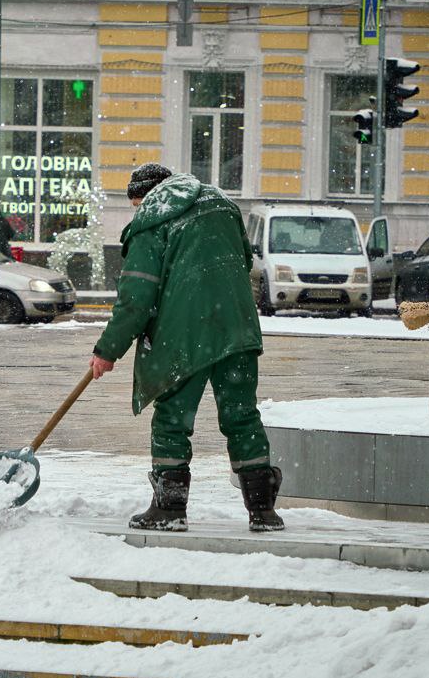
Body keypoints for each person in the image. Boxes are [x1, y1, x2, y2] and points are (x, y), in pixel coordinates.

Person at [88, 164, 284, 533]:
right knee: (242, 416)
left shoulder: (153, 215)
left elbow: (136, 297)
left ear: (147, 196)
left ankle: (170, 508)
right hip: (237, 326)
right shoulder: (222, 203)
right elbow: (244, 261)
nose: (137, 212)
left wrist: (108, 350)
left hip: (183, 334)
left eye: (136, 205)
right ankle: (263, 510)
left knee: (172, 420)